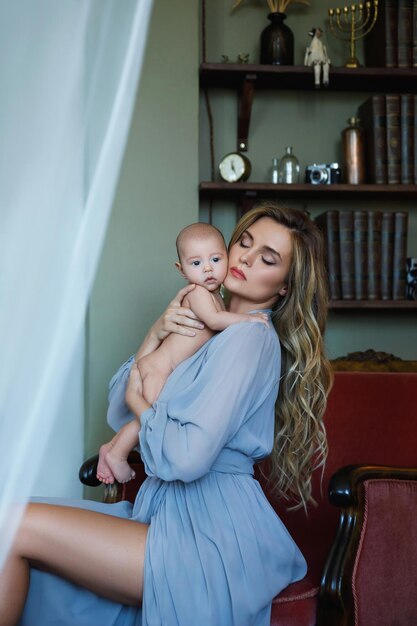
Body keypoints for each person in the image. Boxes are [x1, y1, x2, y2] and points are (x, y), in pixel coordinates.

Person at [0, 203, 333, 626]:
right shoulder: (209, 324)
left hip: (209, 536)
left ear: (285, 286)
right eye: (243, 244)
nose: (246, 259)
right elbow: (118, 407)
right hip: (163, 515)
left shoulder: (249, 337)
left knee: (9, 525)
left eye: (268, 259)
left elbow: (187, 456)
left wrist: (143, 405)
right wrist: (156, 332)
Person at [96, 221, 268, 485]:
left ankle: (110, 447)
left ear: (226, 256)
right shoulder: (198, 293)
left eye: (215, 259)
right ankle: (117, 453)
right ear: (182, 270)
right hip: (159, 367)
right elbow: (213, 320)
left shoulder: (215, 294)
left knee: (150, 416)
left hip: (162, 366)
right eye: (196, 264)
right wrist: (248, 320)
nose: (208, 268)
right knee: (150, 417)